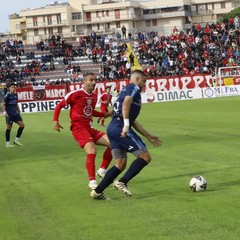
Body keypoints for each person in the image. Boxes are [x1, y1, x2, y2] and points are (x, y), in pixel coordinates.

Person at [91, 69, 161, 200]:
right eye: (144, 82)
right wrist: (126, 126)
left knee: (120, 164)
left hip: (113, 127)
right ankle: (122, 182)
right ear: (137, 80)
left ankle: (98, 191)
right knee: (145, 157)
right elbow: (126, 103)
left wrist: (148, 135)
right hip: (120, 127)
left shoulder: (125, 90)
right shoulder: (133, 87)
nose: (144, 85)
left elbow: (132, 118)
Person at [52, 72, 113, 190]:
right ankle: (92, 182)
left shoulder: (94, 96)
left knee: (114, 143)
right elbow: (59, 106)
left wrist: (104, 114)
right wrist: (55, 121)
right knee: (92, 150)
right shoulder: (75, 94)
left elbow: (90, 111)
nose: (94, 82)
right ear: (84, 82)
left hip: (89, 127)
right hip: (78, 127)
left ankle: (102, 170)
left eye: (95, 80)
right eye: (91, 80)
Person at [2, 83, 25, 147]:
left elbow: (16, 103)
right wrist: (4, 112)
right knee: (9, 128)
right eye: (12, 87)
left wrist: (19, 111)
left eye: (14, 87)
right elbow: (3, 104)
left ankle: (16, 140)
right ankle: (7, 143)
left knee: (22, 125)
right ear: (9, 88)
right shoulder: (7, 96)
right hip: (9, 115)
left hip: (15, 114)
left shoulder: (15, 95)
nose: (13, 88)